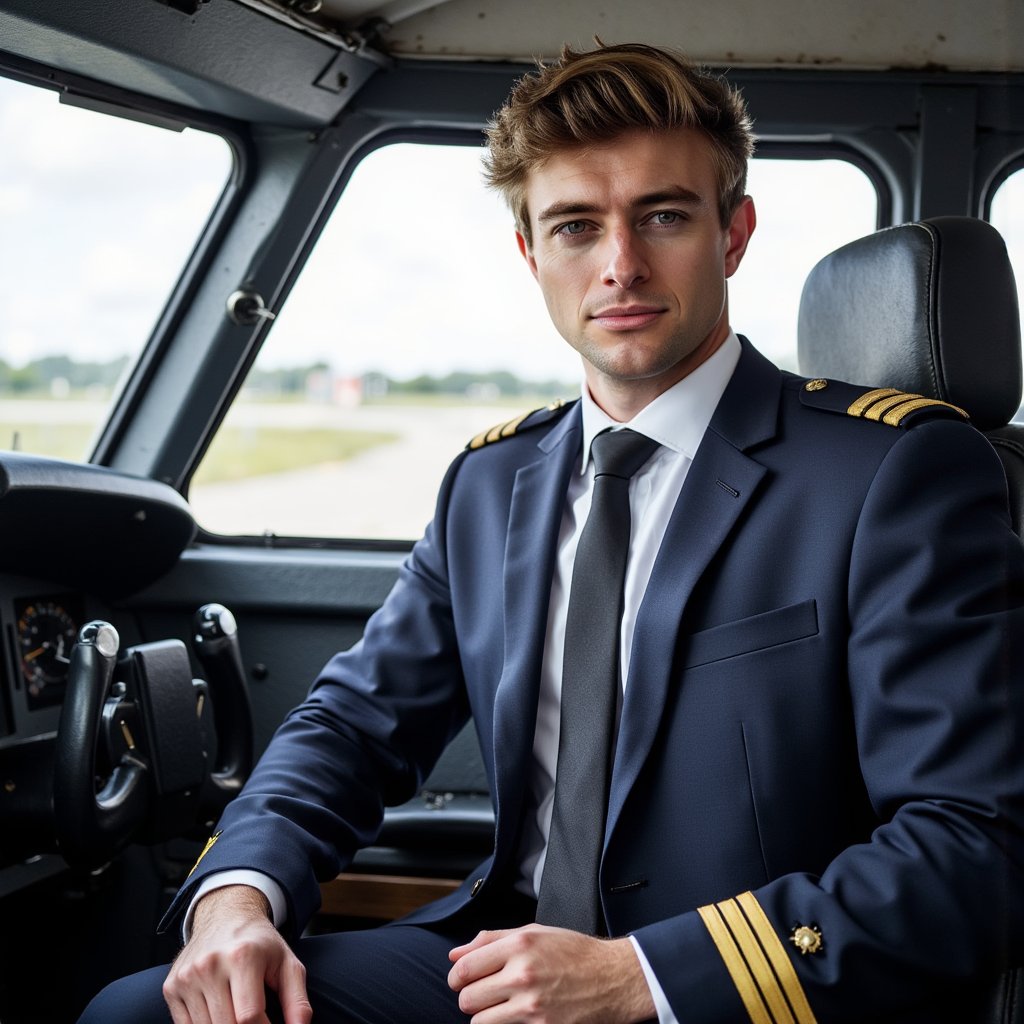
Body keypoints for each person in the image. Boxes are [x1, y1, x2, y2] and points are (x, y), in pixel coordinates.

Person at [81, 42, 1024, 1024]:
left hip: (736, 991)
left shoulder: (889, 474)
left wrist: (643, 978)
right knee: (136, 1012)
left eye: (663, 215)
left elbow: (979, 841)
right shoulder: (492, 482)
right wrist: (240, 892)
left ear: (733, 234)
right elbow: (352, 726)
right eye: (576, 225)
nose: (619, 265)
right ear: (532, 254)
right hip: (497, 964)